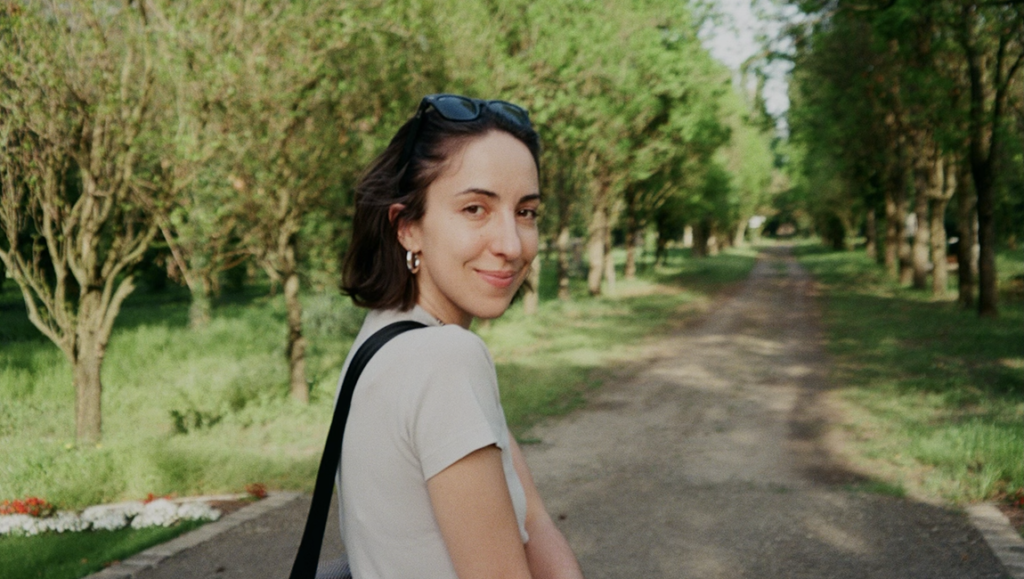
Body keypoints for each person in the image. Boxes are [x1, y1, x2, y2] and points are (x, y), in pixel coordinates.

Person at [337, 94, 585, 579]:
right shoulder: (446, 357)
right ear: (407, 226)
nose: (511, 245)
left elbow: (530, 514)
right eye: (476, 208)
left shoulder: (381, 341)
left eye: (527, 212)